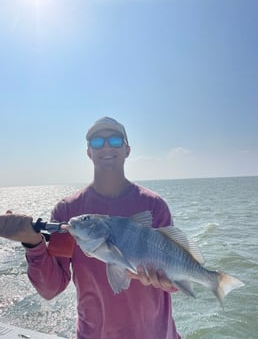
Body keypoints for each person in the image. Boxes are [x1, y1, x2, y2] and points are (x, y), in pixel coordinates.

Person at [1, 117, 182, 339]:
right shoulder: (69, 212)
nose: (106, 146)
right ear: (88, 151)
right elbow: (51, 288)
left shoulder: (154, 206)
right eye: (97, 141)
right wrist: (32, 243)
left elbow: (175, 276)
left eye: (115, 140)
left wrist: (168, 282)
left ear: (127, 149)